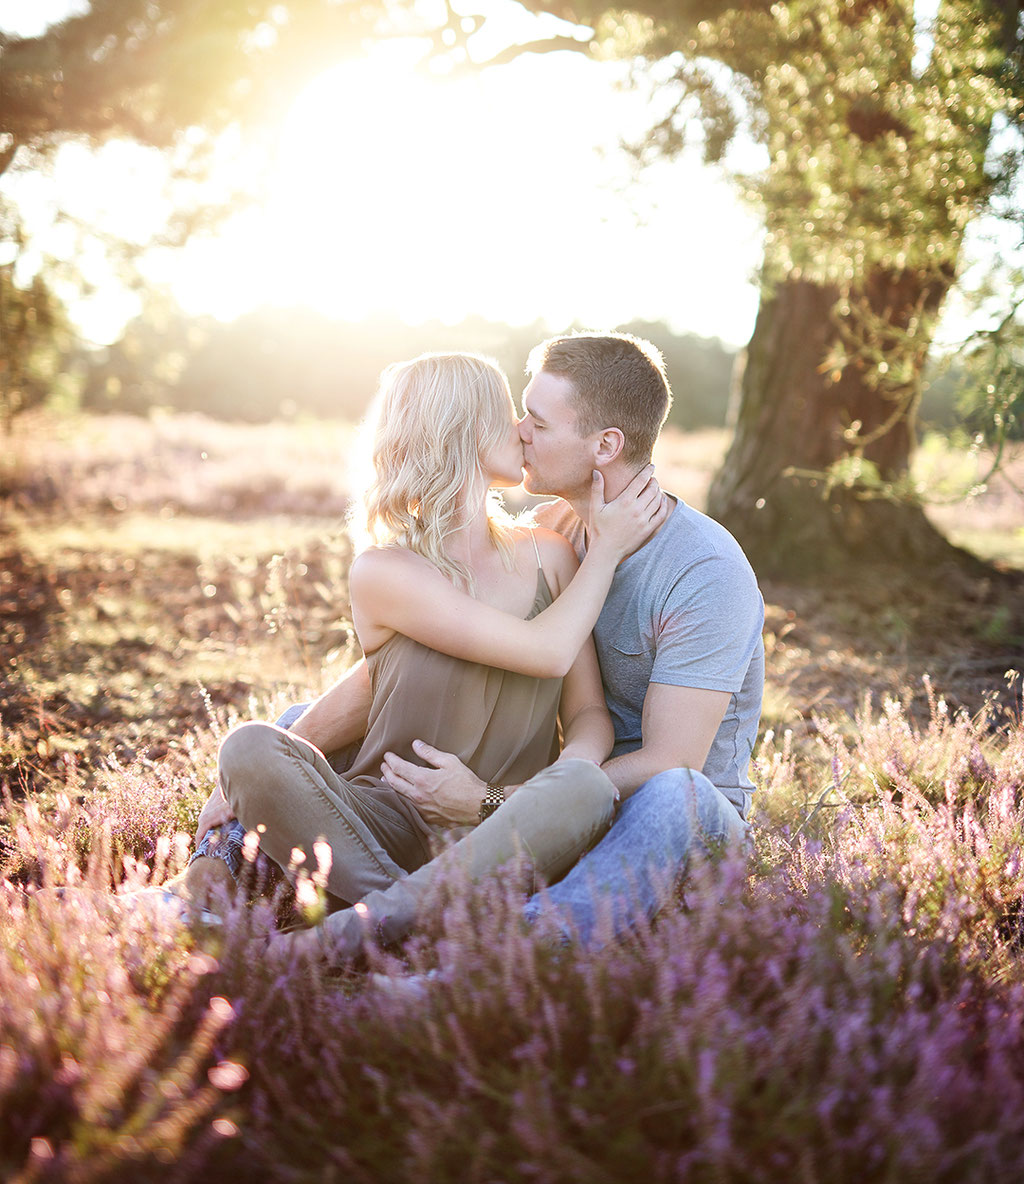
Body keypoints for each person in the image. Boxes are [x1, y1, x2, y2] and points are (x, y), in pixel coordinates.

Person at [267, 330, 765, 962]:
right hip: (550, 802)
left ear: (605, 445)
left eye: (537, 420)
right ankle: (223, 875)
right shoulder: (551, 535)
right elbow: (398, 668)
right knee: (290, 734)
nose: (518, 430)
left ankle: (496, 953)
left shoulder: (703, 569)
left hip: (657, 816)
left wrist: (495, 803)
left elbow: (671, 760)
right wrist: (297, 742)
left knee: (675, 796)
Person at [178, 351, 667, 931]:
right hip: (379, 822)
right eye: (507, 412)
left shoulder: (552, 555)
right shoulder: (386, 571)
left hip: (501, 823)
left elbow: (586, 711)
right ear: (461, 430)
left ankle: (375, 920)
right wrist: (608, 550)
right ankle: (422, 919)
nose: (521, 428)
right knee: (250, 747)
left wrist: (513, 795)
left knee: (587, 785)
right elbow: (545, 651)